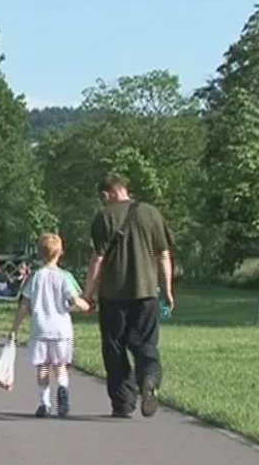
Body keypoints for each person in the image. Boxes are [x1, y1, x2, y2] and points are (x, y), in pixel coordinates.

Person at [82, 173, 174, 419]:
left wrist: (88, 294)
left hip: (113, 295)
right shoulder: (151, 213)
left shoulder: (104, 217)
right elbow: (164, 255)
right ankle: (149, 378)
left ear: (107, 194)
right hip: (146, 293)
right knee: (145, 343)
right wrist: (167, 290)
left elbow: (98, 259)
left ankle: (123, 403)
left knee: (115, 348)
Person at [9, 233, 90, 418]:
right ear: (61, 252)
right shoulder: (65, 277)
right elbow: (74, 299)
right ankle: (62, 388)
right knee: (60, 365)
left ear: (40, 253)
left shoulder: (35, 277)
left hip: (40, 329)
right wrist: (87, 306)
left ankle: (44, 403)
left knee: (43, 367)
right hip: (61, 329)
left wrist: (15, 327)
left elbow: (24, 305)